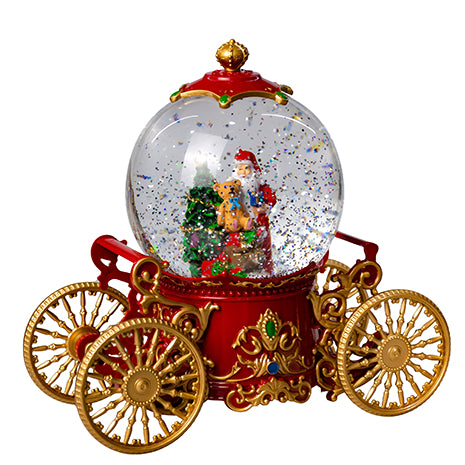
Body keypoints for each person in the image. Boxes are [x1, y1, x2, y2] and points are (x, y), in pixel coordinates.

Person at [229, 149, 276, 273]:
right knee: (236, 246)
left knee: (261, 247)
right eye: (240, 169)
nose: (243, 172)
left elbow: (271, 199)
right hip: (238, 224)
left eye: (247, 168)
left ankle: (263, 272)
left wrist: (262, 209)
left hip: (257, 223)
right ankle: (237, 271)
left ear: (253, 170)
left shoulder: (259, 186)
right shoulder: (232, 186)